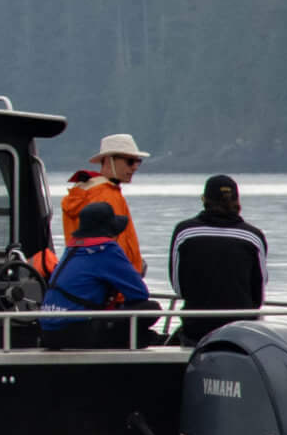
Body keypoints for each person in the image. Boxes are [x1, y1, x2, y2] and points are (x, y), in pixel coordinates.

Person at [38, 202, 159, 349]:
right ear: (109, 231)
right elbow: (139, 293)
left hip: (49, 332)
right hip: (77, 331)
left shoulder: (72, 248)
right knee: (151, 309)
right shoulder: (106, 249)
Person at [168, 174, 268, 343]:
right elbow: (259, 291)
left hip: (197, 328)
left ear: (204, 199)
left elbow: (178, 287)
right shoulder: (253, 236)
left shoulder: (184, 232)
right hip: (242, 329)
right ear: (237, 201)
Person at [61, 132, 150, 275]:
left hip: (86, 280)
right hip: (114, 289)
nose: (135, 167)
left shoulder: (83, 190)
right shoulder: (107, 195)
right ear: (109, 161)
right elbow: (113, 248)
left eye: (138, 162)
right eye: (130, 161)